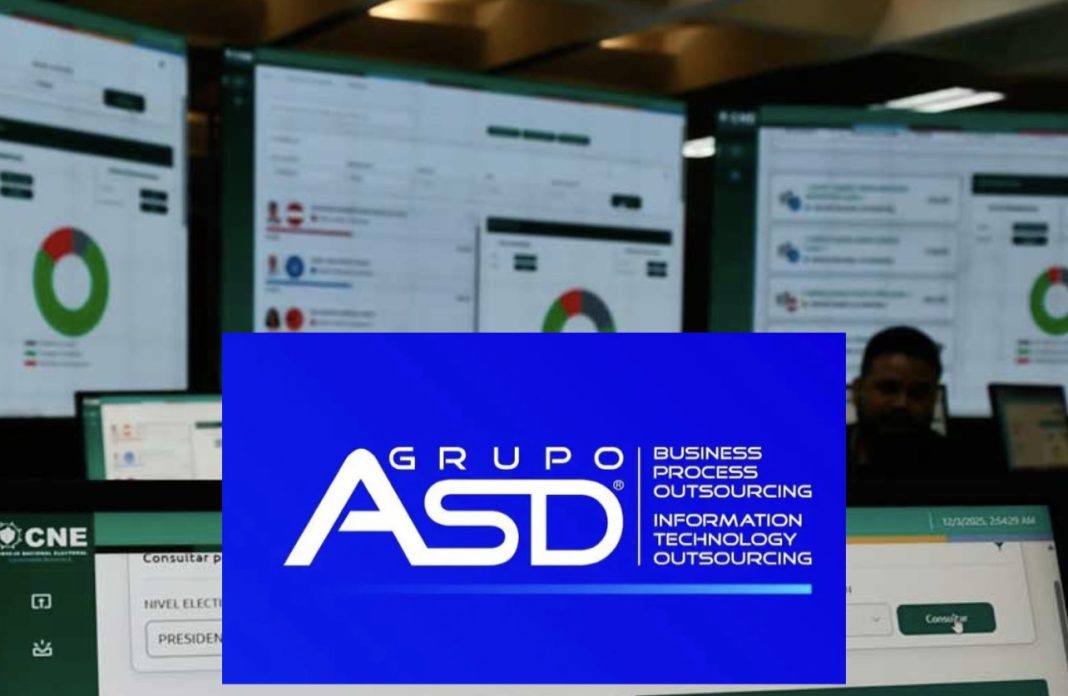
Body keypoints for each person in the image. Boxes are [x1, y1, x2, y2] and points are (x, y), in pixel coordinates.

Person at [847, 326, 951, 473]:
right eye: (888, 389)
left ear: (934, 398)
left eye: (917, 393)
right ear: (857, 390)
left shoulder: (960, 467)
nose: (901, 404)